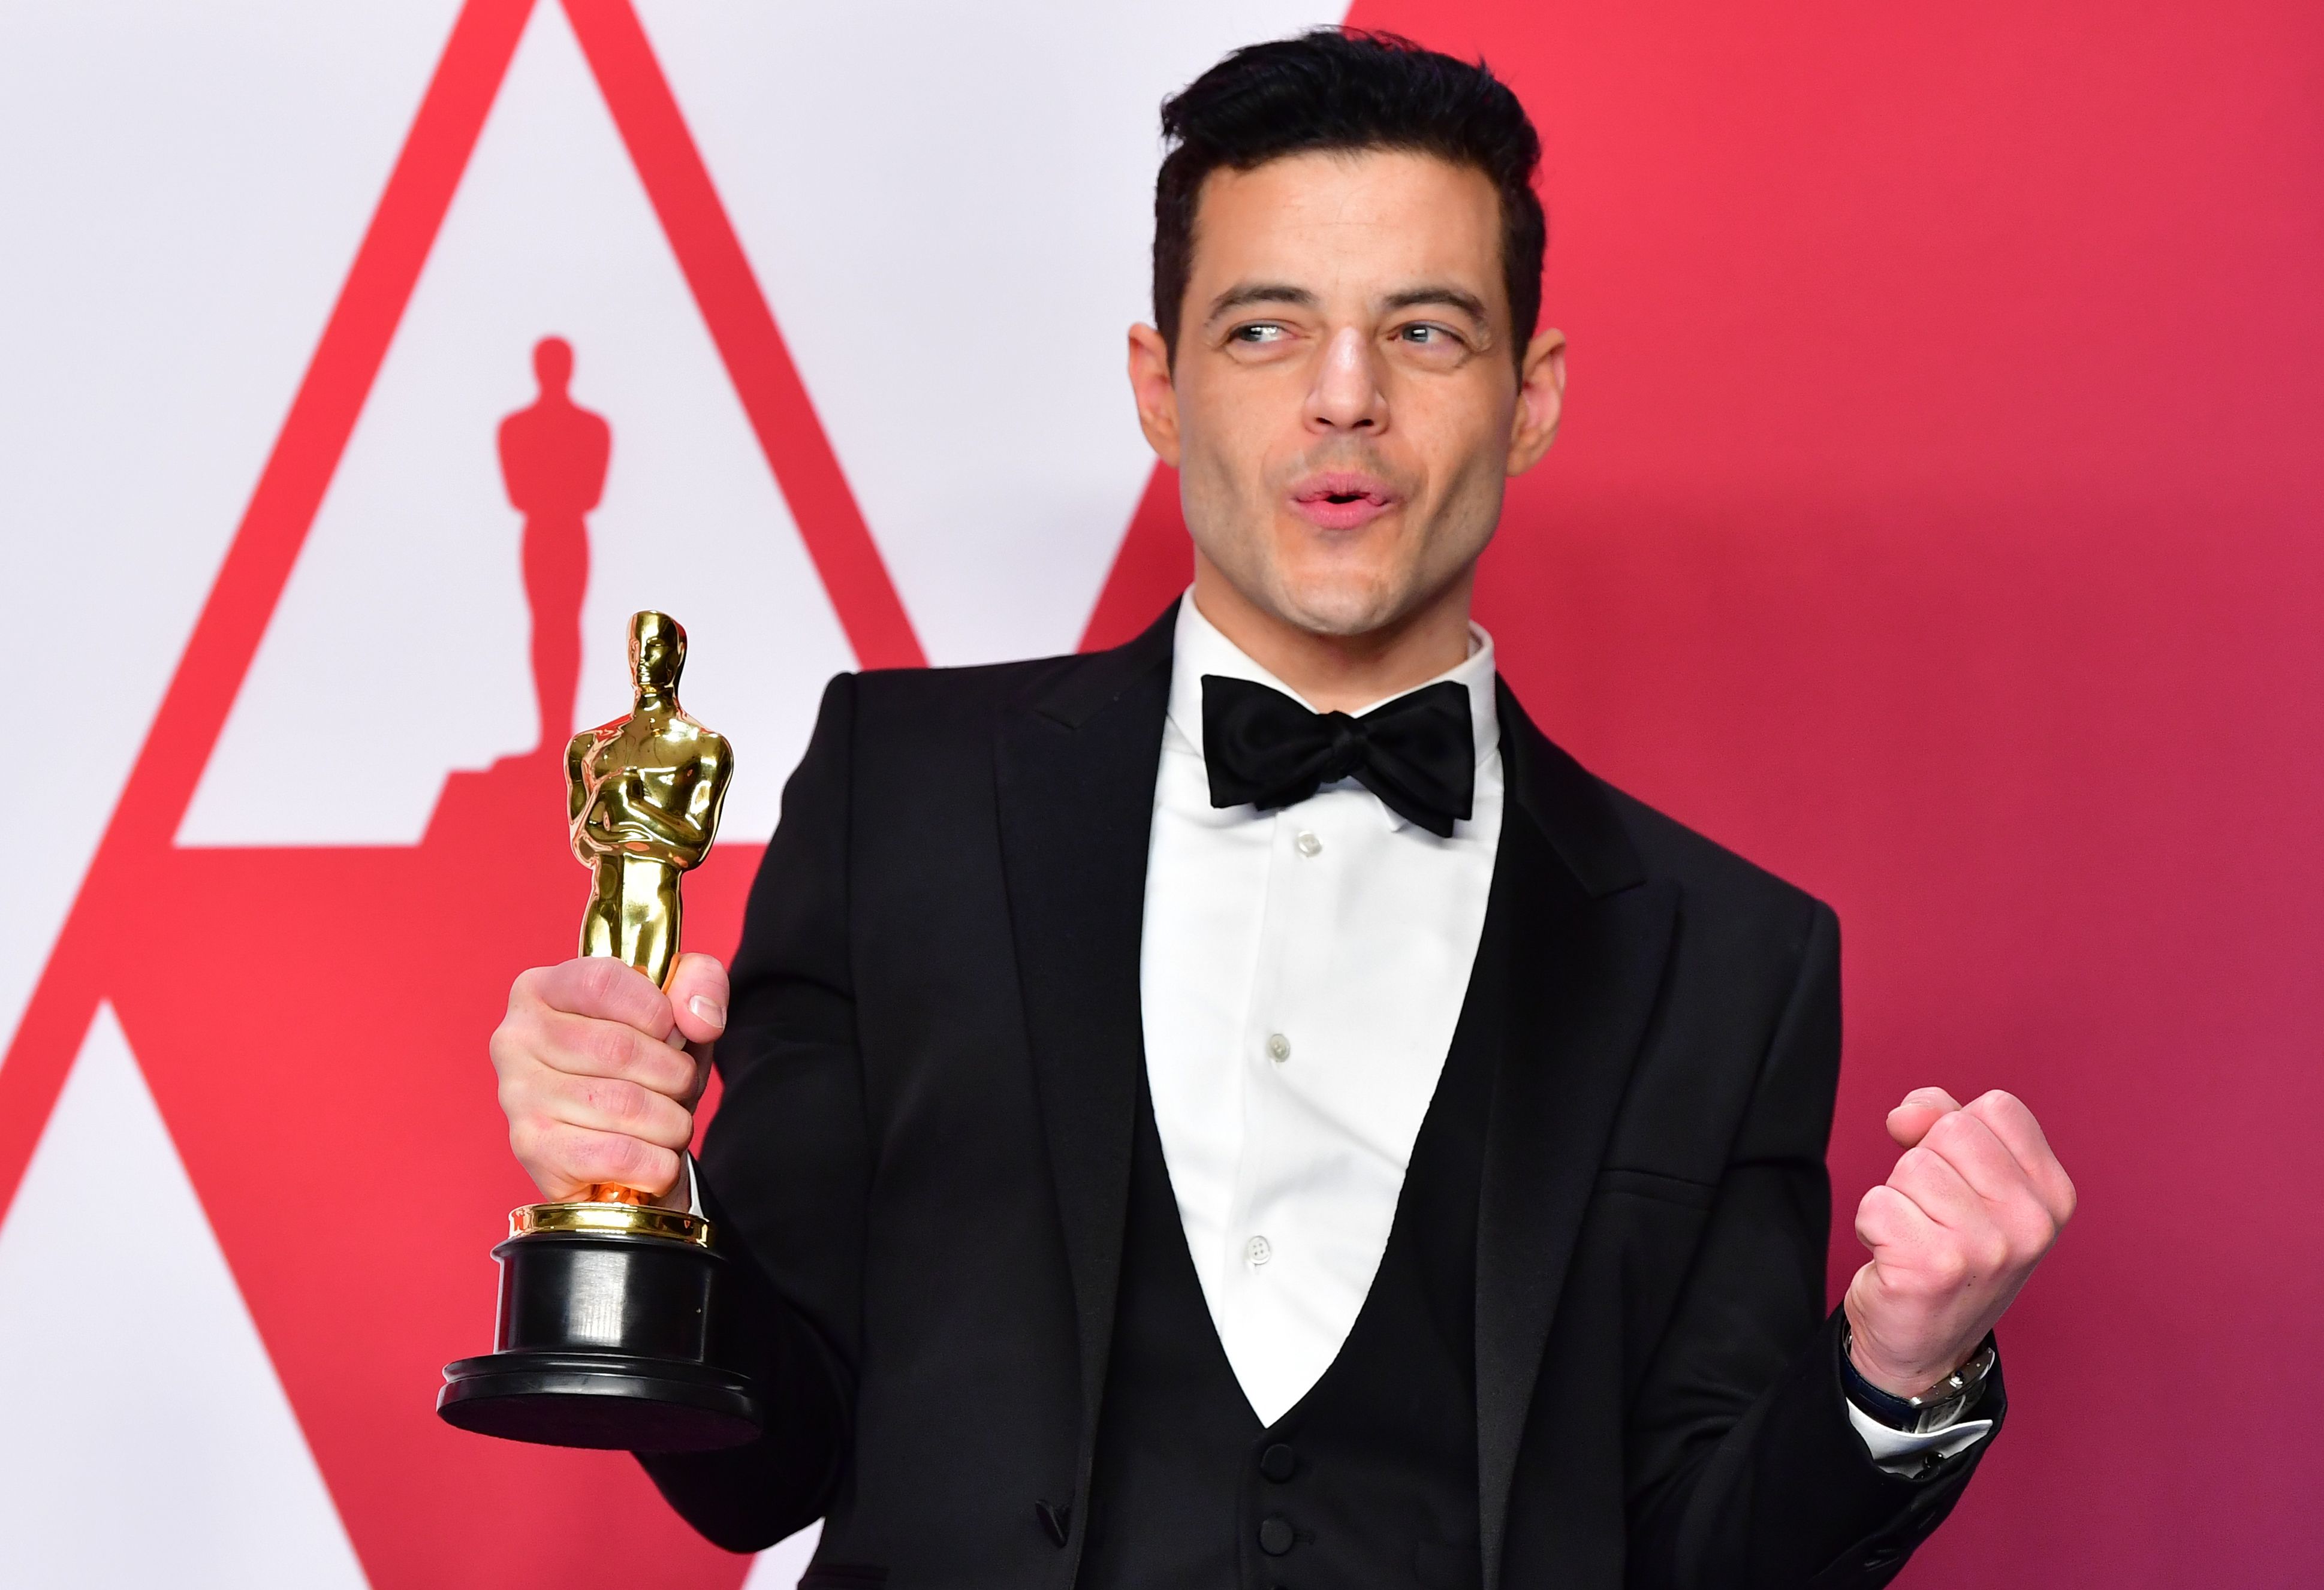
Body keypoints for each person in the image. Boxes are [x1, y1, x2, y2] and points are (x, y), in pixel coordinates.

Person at [487, 31, 2073, 1588]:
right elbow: (763, 1467)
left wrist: (1898, 1372)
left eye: (1428, 332)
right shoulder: (900, 798)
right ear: (1158, 384)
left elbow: (1700, 1550)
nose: (1343, 397)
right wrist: (638, 1197)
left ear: (1532, 396)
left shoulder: (1730, 959)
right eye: (1264, 329)